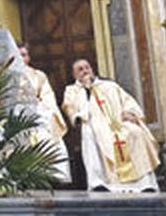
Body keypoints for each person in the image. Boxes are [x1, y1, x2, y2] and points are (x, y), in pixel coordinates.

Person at [61, 59, 158, 192]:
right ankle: (99, 182)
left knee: (136, 132)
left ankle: (145, 183)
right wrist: (86, 91)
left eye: (87, 67)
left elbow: (127, 101)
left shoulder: (109, 86)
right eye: (80, 69)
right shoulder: (72, 90)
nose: (85, 71)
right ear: (74, 75)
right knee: (89, 133)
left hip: (118, 123)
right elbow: (71, 108)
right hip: (94, 124)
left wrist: (130, 112)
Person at [6, 40, 68, 182]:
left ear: (29, 57)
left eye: (24, 55)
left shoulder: (39, 75)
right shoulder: (7, 75)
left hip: (37, 112)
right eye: (18, 55)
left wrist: (45, 113)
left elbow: (47, 98)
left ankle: (48, 177)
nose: (22, 58)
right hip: (15, 113)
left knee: (48, 137)